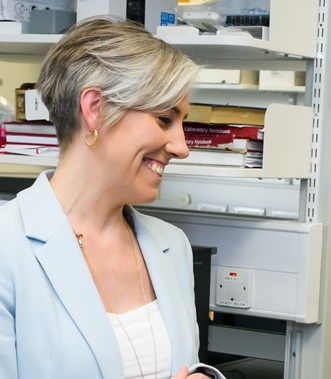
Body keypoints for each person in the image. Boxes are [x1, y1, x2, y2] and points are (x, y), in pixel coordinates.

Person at [0, 17, 226, 379]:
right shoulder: (7, 248)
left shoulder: (172, 246)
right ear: (96, 109)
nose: (182, 147)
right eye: (165, 119)